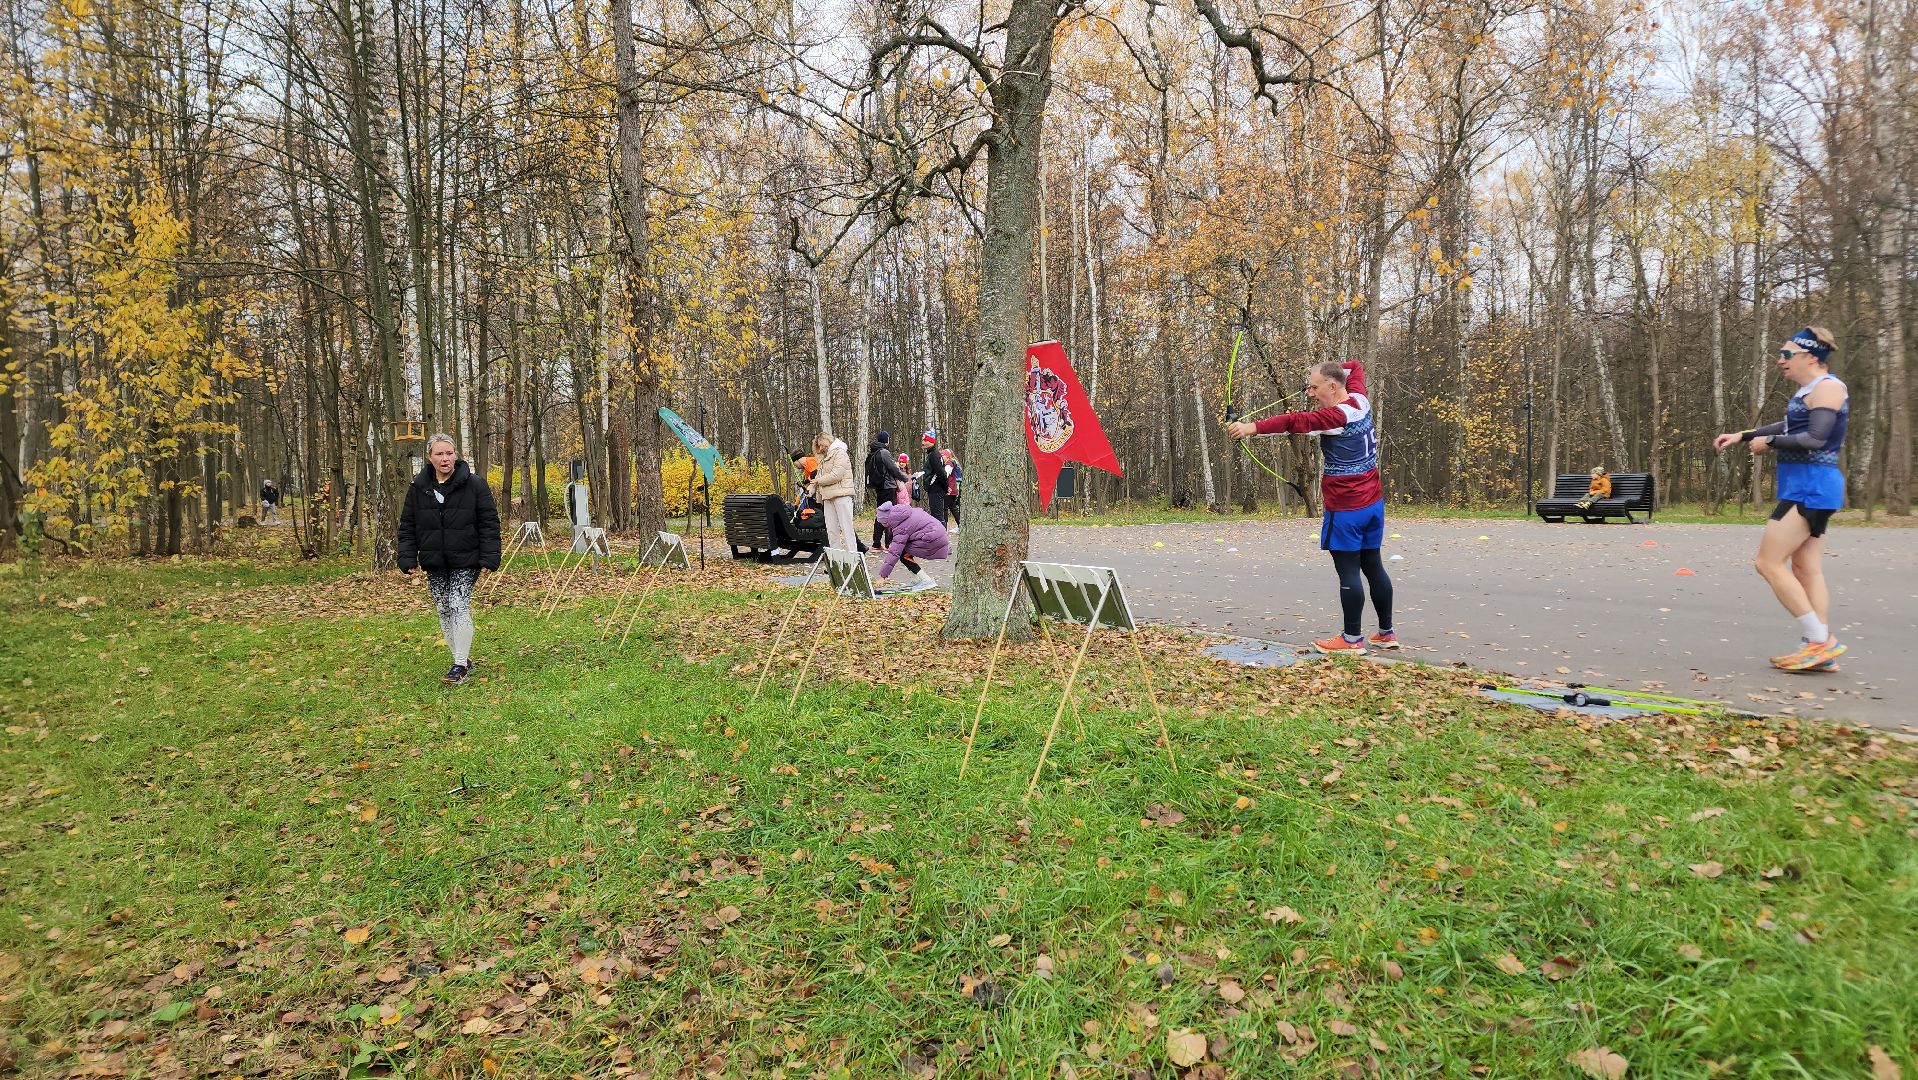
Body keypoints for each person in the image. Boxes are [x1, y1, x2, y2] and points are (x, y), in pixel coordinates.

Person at [1227, 360, 1397, 654]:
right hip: (1372, 504)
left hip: (1347, 509)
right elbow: (1354, 367)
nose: (1311, 393)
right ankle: (1386, 633)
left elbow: (1293, 422)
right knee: (1373, 565)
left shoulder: (1335, 417)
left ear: (1333, 386)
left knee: (1348, 572)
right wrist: (1324, 370)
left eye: (1316, 387)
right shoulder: (1359, 400)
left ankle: (1351, 639)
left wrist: (1249, 428)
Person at [1713, 326, 1849, 673]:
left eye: (1786, 355)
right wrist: (1744, 435)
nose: (1780, 360)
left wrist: (1769, 445)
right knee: (1806, 567)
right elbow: (1789, 426)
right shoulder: (1810, 391)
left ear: (1810, 357)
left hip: (1811, 488)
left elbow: (1816, 438)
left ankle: (1819, 640)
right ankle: (1816, 648)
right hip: (1808, 487)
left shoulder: (1829, 388)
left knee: (1767, 562)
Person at [397, 434, 501, 685]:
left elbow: (489, 523)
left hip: (467, 557)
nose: (445, 458)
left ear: (456, 454)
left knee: (458, 603)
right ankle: (462, 659)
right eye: (439, 454)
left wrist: (489, 557)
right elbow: (408, 525)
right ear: (430, 458)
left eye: (449, 453)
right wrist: (408, 556)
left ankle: (459, 665)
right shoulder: (418, 487)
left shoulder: (475, 485)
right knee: (443, 607)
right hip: (435, 559)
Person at [873, 499, 949, 592]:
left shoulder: (900, 526)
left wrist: (882, 577)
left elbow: (894, 552)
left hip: (932, 539)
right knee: (904, 553)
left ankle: (926, 580)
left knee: (903, 555)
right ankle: (917, 579)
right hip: (935, 534)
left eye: (882, 523)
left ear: (886, 521)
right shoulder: (901, 514)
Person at [812, 432, 857, 551]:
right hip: (828, 497)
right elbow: (818, 477)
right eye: (819, 446)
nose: (821, 448)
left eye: (822, 445)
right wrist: (812, 488)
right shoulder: (823, 459)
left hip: (841, 495)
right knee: (832, 531)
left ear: (827, 441)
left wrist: (818, 481)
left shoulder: (839, 452)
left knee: (847, 529)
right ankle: (836, 563)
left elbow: (837, 475)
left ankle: (853, 560)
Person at [864, 430, 910, 548]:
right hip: (888, 487)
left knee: (881, 513)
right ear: (886, 440)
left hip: (879, 486)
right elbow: (893, 468)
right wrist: (904, 478)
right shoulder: (884, 452)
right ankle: (889, 544)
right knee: (891, 514)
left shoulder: (874, 451)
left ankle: (876, 543)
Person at [921, 430, 956, 527]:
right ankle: (937, 538)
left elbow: (941, 473)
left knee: (938, 517)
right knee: (936, 516)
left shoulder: (935, 455)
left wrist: (946, 487)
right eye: (922, 440)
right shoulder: (931, 454)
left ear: (932, 441)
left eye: (925, 440)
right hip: (934, 489)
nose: (923, 442)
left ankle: (942, 539)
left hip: (936, 490)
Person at [941, 448, 963, 533]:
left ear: (947, 456)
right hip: (954, 490)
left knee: (945, 508)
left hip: (949, 490)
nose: (941, 457)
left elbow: (945, 475)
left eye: (942, 456)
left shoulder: (949, 464)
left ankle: (944, 528)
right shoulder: (952, 463)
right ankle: (960, 526)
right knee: (953, 508)